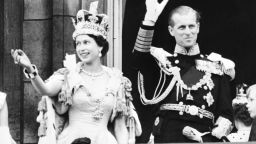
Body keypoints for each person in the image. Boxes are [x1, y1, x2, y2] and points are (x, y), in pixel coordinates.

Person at [11, 9, 141, 144]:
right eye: (78, 43)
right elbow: (45, 89)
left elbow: (120, 127)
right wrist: (29, 68)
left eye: (86, 42)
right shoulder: (70, 75)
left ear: (100, 46)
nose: (81, 48)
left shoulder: (115, 80)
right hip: (71, 140)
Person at [132, 0, 235, 142]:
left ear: (198, 27)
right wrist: (149, 20)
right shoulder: (163, 63)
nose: (188, 32)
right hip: (166, 137)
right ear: (171, 30)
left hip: (202, 137)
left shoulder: (216, 66)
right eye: (181, 27)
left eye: (191, 26)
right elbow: (138, 60)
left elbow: (226, 116)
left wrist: (207, 139)